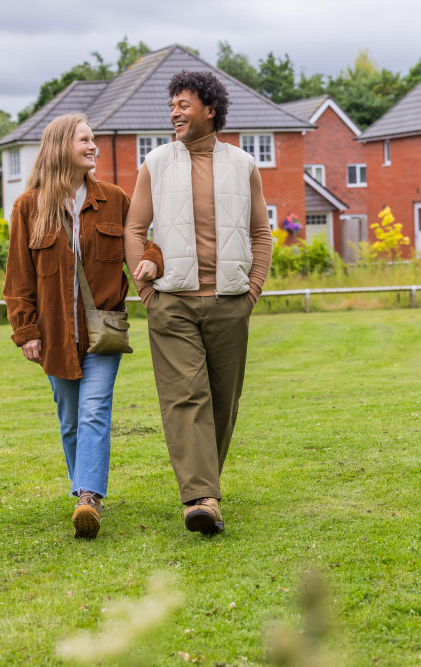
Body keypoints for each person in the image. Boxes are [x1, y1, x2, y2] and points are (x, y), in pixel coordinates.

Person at [124, 70, 273, 535]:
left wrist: (252, 290)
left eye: (184, 104)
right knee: (185, 397)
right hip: (172, 304)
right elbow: (133, 230)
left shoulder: (243, 164)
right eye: (172, 105)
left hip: (230, 302)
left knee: (223, 402)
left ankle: (204, 483)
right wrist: (147, 292)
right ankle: (200, 498)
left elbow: (261, 233)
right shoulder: (157, 163)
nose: (175, 112)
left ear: (210, 110)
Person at [4, 112, 163, 539]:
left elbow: (145, 240)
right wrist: (26, 331)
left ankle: (88, 497)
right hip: (55, 334)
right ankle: (82, 492)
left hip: (103, 331)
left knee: (95, 412)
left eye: (94, 140)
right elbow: (17, 279)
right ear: (61, 147)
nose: (93, 146)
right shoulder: (29, 206)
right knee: (70, 419)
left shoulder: (113, 198)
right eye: (85, 140)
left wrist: (153, 259)